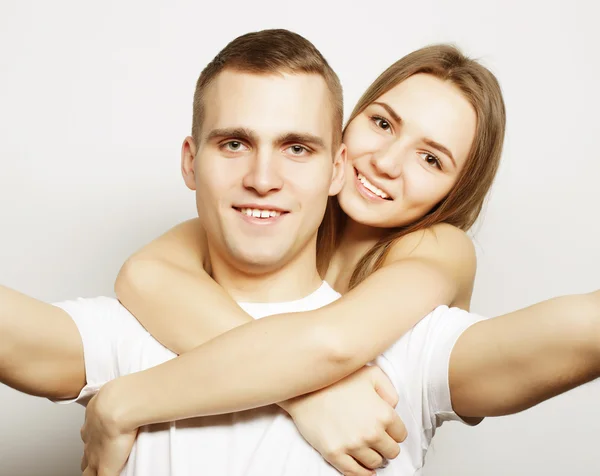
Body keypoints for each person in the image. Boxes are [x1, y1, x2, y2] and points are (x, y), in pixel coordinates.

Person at [0, 29, 598, 476]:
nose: (386, 163)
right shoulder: (155, 301)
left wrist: (120, 406)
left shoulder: (425, 287)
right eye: (384, 125)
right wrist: (307, 391)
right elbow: (144, 275)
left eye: (431, 158)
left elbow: (333, 343)